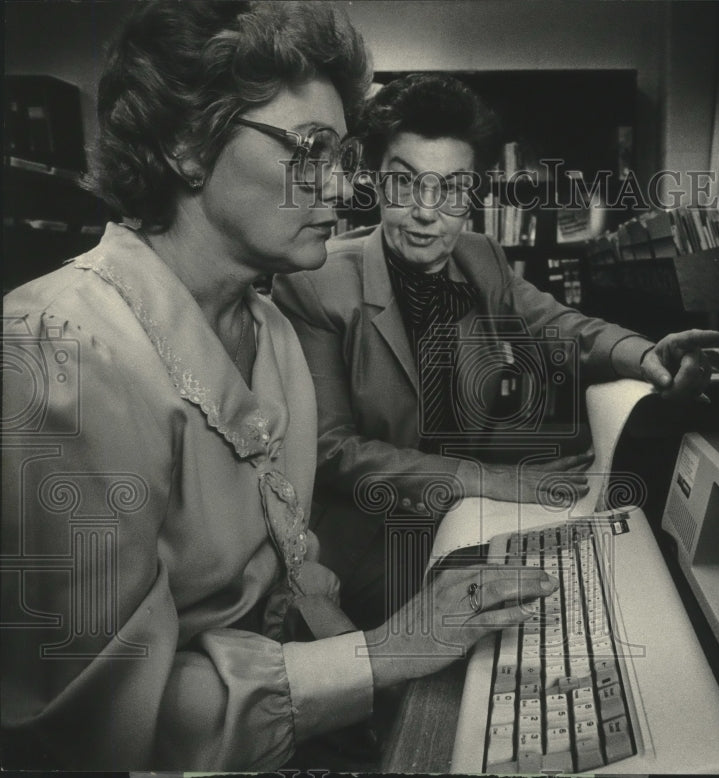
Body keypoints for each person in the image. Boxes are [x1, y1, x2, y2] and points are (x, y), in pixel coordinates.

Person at [0, 5, 557, 771]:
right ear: (185, 145)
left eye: (344, 153)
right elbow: (90, 738)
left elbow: (293, 586)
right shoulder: (56, 351)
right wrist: (384, 653)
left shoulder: (273, 332)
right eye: (310, 148)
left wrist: (373, 678)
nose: (344, 184)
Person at [271, 73, 719, 627]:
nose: (426, 212)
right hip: (373, 541)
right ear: (376, 184)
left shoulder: (480, 256)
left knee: (599, 597)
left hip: (473, 515)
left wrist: (646, 353)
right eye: (405, 183)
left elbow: (562, 323)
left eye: (452, 188)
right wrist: (493, 480)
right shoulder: (315, 282)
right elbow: (333, 452)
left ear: (473, 195)